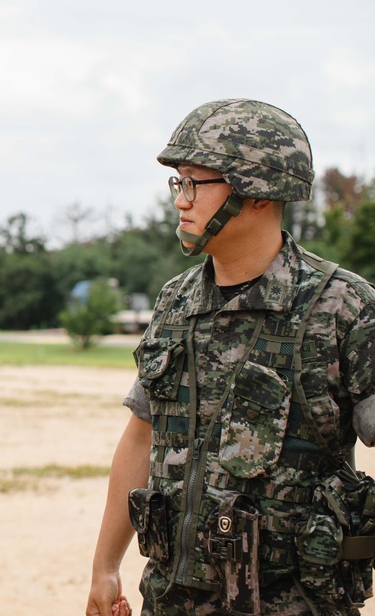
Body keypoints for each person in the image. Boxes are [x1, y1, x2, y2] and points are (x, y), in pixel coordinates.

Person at [86, 98, 375, 616]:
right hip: (170, 600)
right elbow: (140, 435)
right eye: (178, 183)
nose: (180, 200)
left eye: (196, 183)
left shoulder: (343, 307)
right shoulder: (176, 301)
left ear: (258, 193)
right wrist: (105, 567)